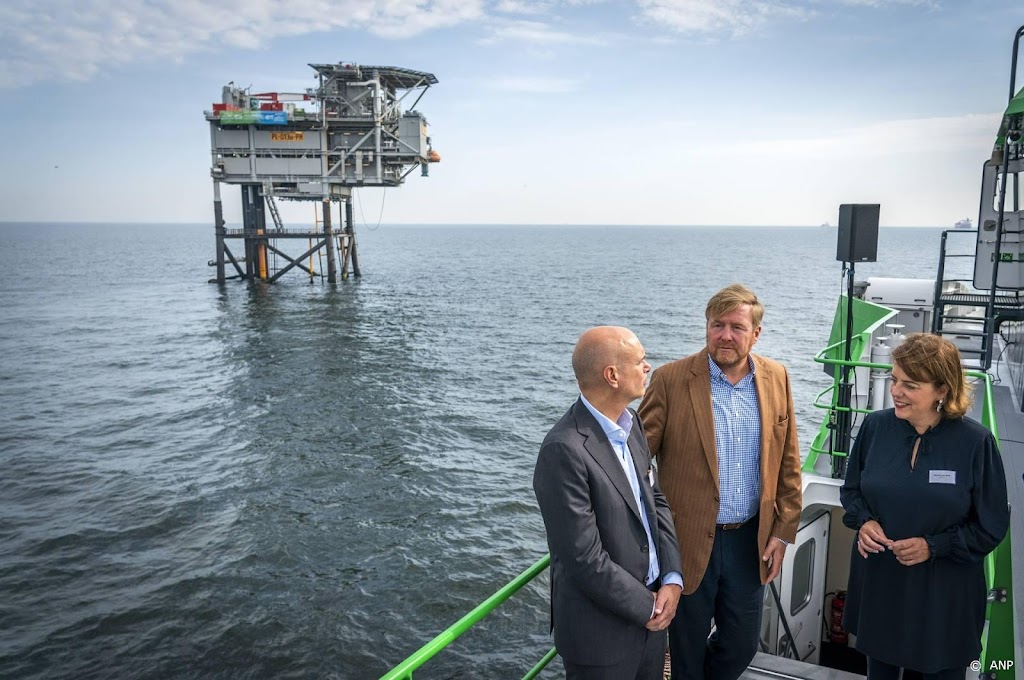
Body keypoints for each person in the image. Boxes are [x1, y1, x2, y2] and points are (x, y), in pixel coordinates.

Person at [637, 283, 802, 680]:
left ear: (755, 333)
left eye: (736, 327)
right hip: (688, 541)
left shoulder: (776, 377)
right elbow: (636, 460)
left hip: (750, 540)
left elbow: (788, 460)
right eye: (717, 325)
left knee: (742, 645)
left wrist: (782, 534)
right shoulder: (670, 380)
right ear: (707, 327)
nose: (725, 335)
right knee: (686, 652)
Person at [841, 333, 1010, 680]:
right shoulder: (875, 427)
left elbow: (990, 526)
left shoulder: (976, 443)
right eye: (894, 380)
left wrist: (933, 546)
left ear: (942, 389)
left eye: (910, 385)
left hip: (943, 597)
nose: (896, 391)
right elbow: (852, 491)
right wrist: (864, 522)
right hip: (882, 587)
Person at [534, 326, 683, 680]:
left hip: (651, 623)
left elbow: (655, 501)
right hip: (600, 638)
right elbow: (584, 558)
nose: (648, 367)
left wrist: (672, 578)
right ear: (612, 376)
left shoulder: (632, 425)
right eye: (640, 360)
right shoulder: (563, 450)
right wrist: (649, 606)